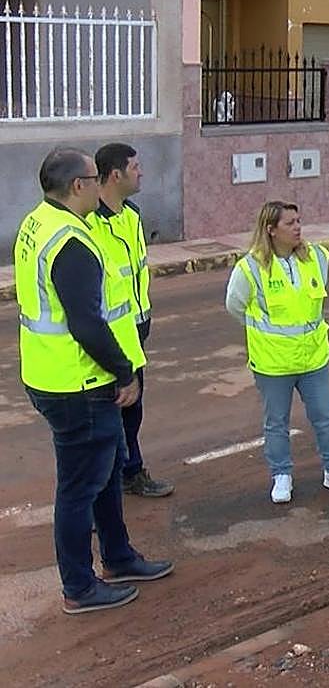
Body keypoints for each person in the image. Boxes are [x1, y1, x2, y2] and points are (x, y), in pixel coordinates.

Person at [16, 147, 174, 615]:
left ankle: (119, 557)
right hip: (76, 384)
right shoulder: (71, 242)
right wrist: (124, 371)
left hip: (53, 375)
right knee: (79, 487)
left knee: (105, 472)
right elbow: (86, 323)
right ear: (80, 186)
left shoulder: (36, 223)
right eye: (91, 177)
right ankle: (79, 587)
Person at [225, 201, 329, 504]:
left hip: (313, 358)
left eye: (299, 221)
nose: (298, 227)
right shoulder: (250, 267)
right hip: (273, 364)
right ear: (270, 230)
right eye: (289, 223)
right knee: (276, 422)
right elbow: (235, 306)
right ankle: (281, 475)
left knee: (325, 416)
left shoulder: (316, 258)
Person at [92, 142, 174, 498]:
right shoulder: (89, 223)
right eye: (136, 167)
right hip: (105, 338)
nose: (141, 172)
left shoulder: (132, 215)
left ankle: (130, 472)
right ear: (116, 174)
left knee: (132, 410)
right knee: (105, 419)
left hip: (134, 330)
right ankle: (98, 492)